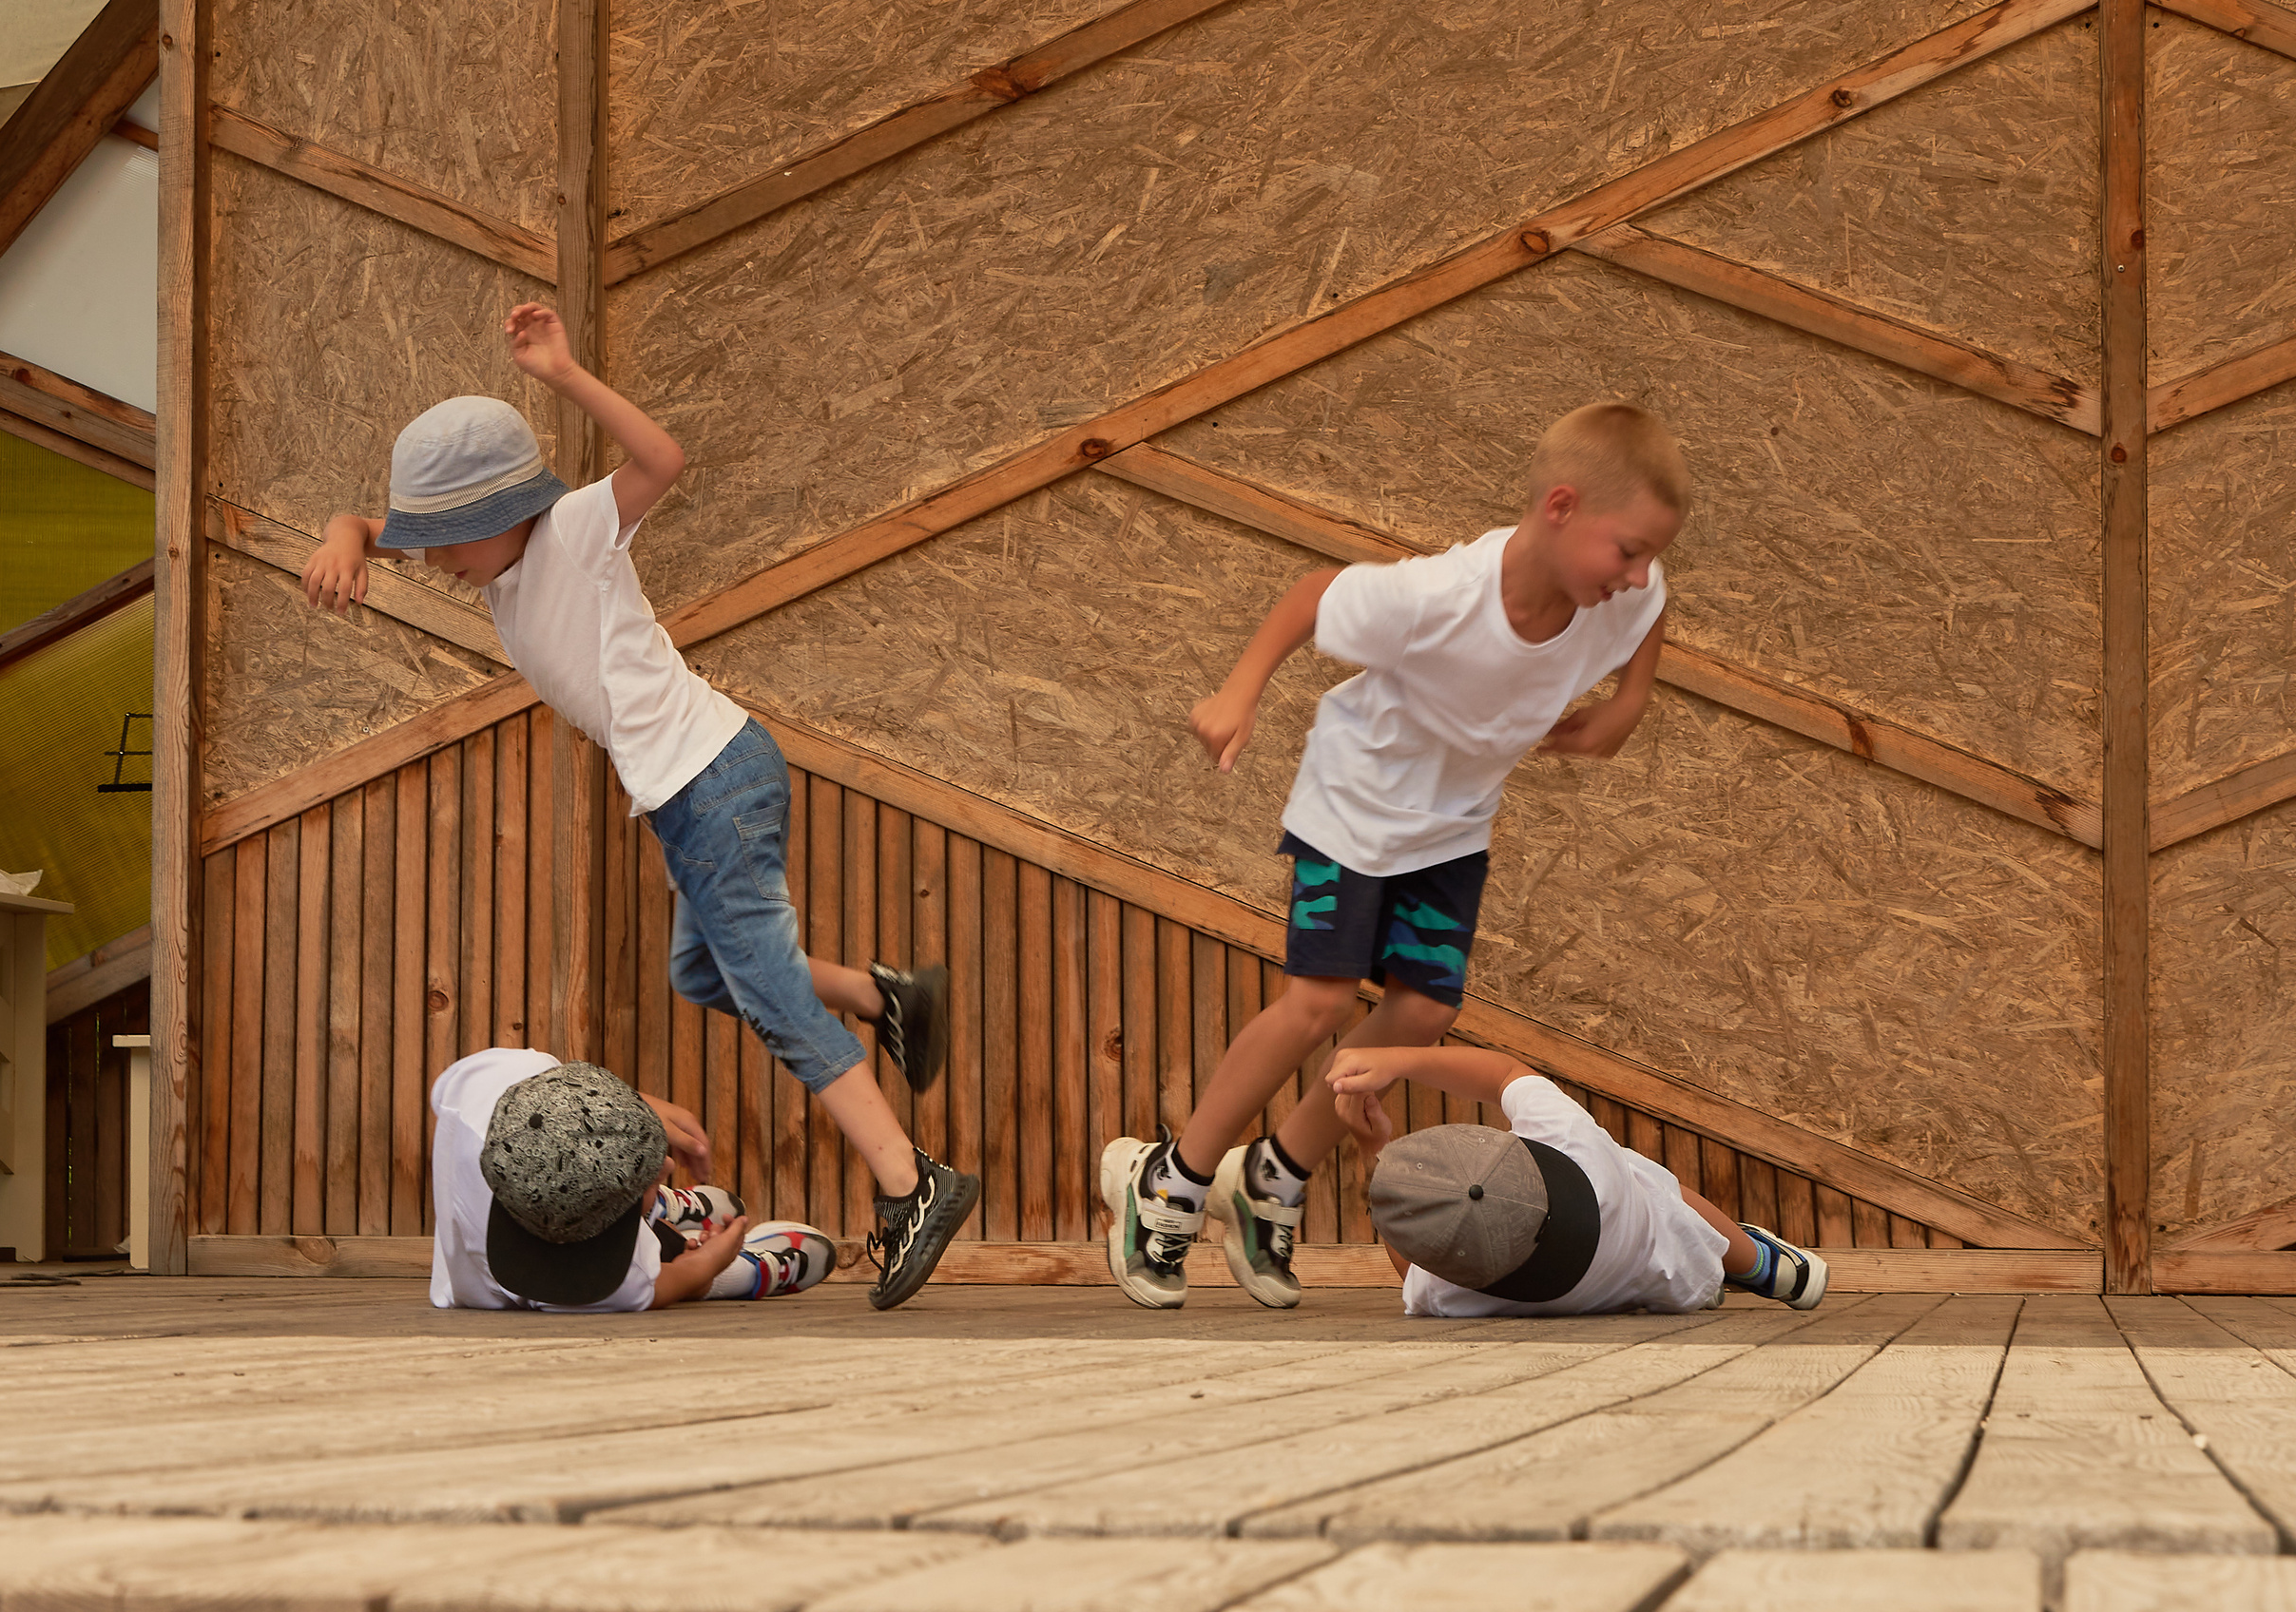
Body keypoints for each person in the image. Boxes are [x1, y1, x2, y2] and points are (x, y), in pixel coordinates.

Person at [304, 303, 977, 1310]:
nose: (434, 560)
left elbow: (661, 458)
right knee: (704, 973)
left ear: (499, 514)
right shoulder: (496, 560)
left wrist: (565, 373)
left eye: (445, 539)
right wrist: (345, 536)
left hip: (715, 778)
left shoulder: (574, 530)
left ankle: (909, 1176)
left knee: (770, 995)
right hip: (687, 792)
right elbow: (366, 522)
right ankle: (888, 998)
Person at [1102, 402, 1687, 1310]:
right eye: (1627, 549)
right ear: (1561, 506)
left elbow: (1651, 607)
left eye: (1651, 553)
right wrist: (1238, 691)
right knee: (1320, 1005)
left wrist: (1628, 703)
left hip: (1453, 826)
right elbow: (1310, 596)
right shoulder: (1440, 598)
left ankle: (1273, 1176)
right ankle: (1170, 1182)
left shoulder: (1626, 591)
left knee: (1421, 1014)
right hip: (1356, 804)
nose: (1640, 572)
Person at [1328, 1043, 1827, 1315]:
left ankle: (1734, 1269)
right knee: (1642, 1180)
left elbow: (1411, 1262)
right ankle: (1764, 1266)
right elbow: (1503, 1072)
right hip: (1666, 1258)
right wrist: (1399, 1059)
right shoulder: (1574, 1143)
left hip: (1626, 1292)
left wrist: (1375, 1150)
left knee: (1640, 1196)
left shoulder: (1451, 1294)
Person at [427, 1049, 839, 1312]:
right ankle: (740, 1274)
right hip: (498, 1288)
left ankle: (655, 1211)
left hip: (484, 1232)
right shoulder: (579, 1280)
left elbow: (567, 1091)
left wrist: (626, 1106)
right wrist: (709, 1266)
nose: (667, 1166)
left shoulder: (497, 1079)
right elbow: (663, 1286)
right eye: (652, 1177)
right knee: (662, 1276)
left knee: (616, 1201)